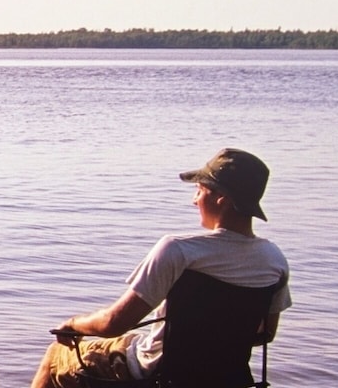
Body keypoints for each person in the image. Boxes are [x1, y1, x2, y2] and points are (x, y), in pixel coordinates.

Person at [31, 148, 292, 388]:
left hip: (157, 374)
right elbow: (265, 333)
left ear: (221, 198)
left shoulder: (179, 251)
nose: (194, 200)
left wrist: (74, 324)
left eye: (199, 190)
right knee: (132, 342)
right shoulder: (274, 260)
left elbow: (114, 323)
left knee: (57, 356)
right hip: (227, 378)